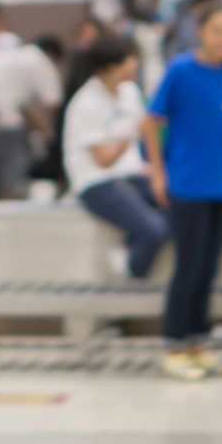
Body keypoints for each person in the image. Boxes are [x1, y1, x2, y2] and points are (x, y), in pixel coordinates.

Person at [147, 4, 222, 380]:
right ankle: (174, 343)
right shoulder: (180, 70)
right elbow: (151, 120)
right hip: (186, 184)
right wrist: (158, 172)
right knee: (187, 268)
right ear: (201, 31)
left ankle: (198, 343)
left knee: (207, 269)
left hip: (221, 185)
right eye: (217, 30)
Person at [63, 34, 170, 281]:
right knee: (153, 231)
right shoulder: (85, 104)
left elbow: (149, 131)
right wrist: (133, 131)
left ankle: (127, 250)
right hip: (96, 182)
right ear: (110, 67)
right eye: (128, 60)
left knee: (179, 207)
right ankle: (128, 277)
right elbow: (103, 160)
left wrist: (157, 171)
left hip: (130, 175)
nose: (134, 65)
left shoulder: (130, 92)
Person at [0, 36, 65, 199]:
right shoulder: (41, 62)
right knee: (12, 170)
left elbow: (26, 107)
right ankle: (7, 203)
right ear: (52, 54)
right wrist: (49, 134)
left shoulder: (11, 56)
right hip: (5, 120)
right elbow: (52, 103)